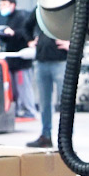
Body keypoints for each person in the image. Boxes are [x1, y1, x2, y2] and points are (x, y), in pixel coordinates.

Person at [28, 11, 70, 149]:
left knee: (65, 102)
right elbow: (26, 26)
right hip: (41, 62)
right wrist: (30, 40)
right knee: (44, 103)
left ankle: (66, 139)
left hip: (60, 62)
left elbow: (84, 26)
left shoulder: (66, 8)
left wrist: (73, 43)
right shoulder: (40, 9)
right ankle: (45, 136)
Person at [0, 0, 37, 119]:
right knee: (15, 89)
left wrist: (13, 33)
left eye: (4, 5)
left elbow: (24, 33)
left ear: (13, 5)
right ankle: (18, 110)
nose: (2, 7)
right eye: (1, 5)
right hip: (12, 60)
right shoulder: (10, 19)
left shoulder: (21, 17)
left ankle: (29, 110)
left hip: (22, 61)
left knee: (24, 88)